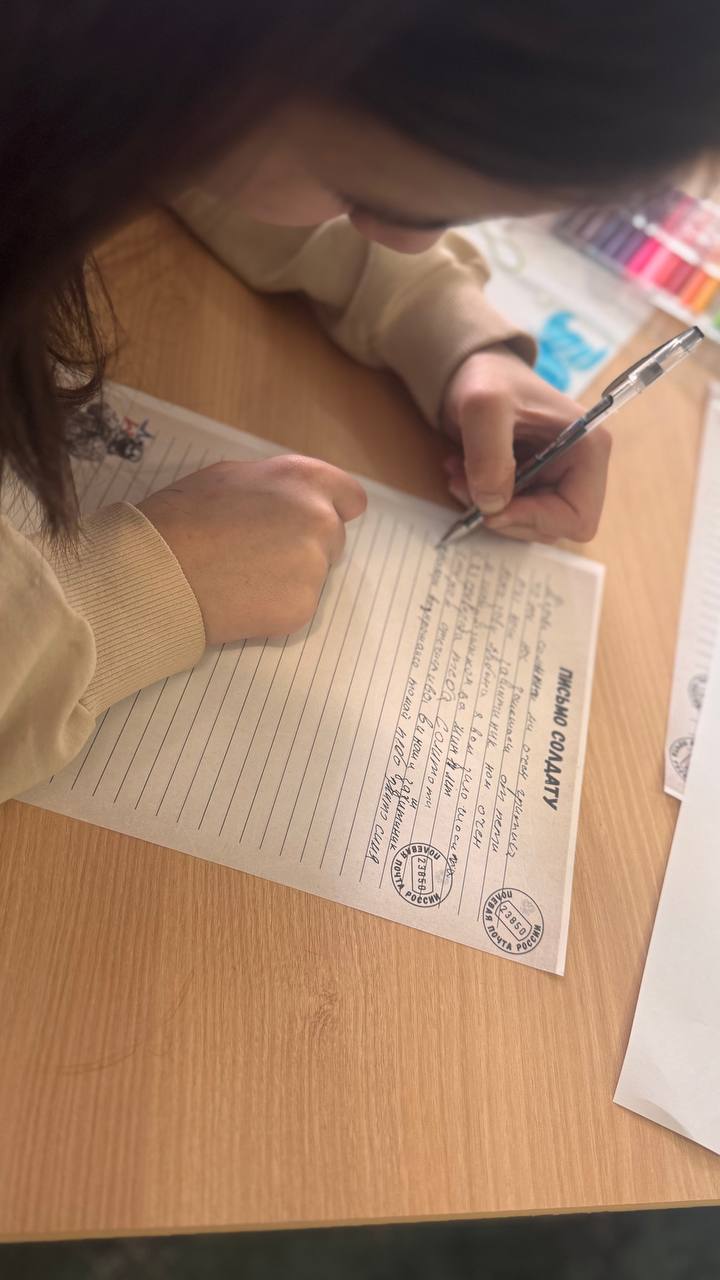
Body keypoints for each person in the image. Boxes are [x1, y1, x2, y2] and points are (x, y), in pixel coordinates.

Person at [1, 1, 718, 801]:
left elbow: (212, 167)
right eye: (368, 200)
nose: (408, 242)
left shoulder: (140, 73)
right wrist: (139, 589)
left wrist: (452, 333)